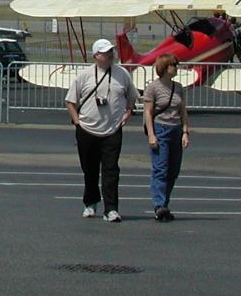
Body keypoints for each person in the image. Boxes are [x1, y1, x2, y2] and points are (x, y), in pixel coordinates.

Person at [65, 38, 137, 223]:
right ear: (96, 55)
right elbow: (70, 100)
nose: (110, 54)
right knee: (89, 169)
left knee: (111, 169)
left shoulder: (122, 74)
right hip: (87, 129)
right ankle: (90, 202)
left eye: (111, 51)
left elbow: (132, 96)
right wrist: (77, 120)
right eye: (106, 52)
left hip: (112, 130)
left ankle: (111, 209)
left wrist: (128, 112)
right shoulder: (85, 75)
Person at [143, 54, 191, 221]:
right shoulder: (153, 88)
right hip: (160, 128)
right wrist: (151, 135)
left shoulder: (178, 87)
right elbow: (148, 113)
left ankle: (165, 203)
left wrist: (185, 131)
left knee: (173, 170)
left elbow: (182, 110)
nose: (176, 68)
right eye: (173, 65)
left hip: (176, 129)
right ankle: (159, 204)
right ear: (164, 67)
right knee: (160, 168)